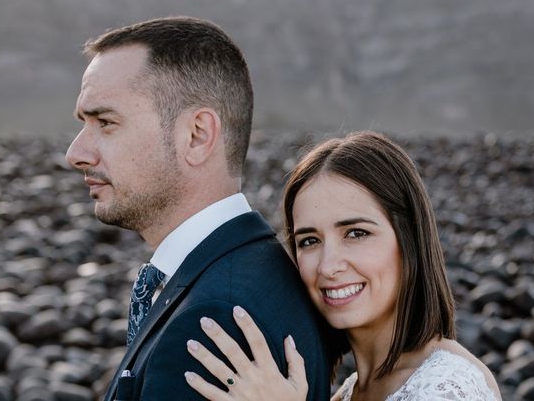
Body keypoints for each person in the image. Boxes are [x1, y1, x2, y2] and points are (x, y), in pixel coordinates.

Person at [65, 16, 338, 401]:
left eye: (105, 122)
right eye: (83, 123)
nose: (75, 153)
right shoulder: (262, 268)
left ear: (196, 136)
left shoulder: (212, 322)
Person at [184, 131, 503, 400]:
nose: (328, 266)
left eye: (356, 233)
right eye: (309, 240)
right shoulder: (352, 390)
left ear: (410, 241)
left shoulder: (447, 386)